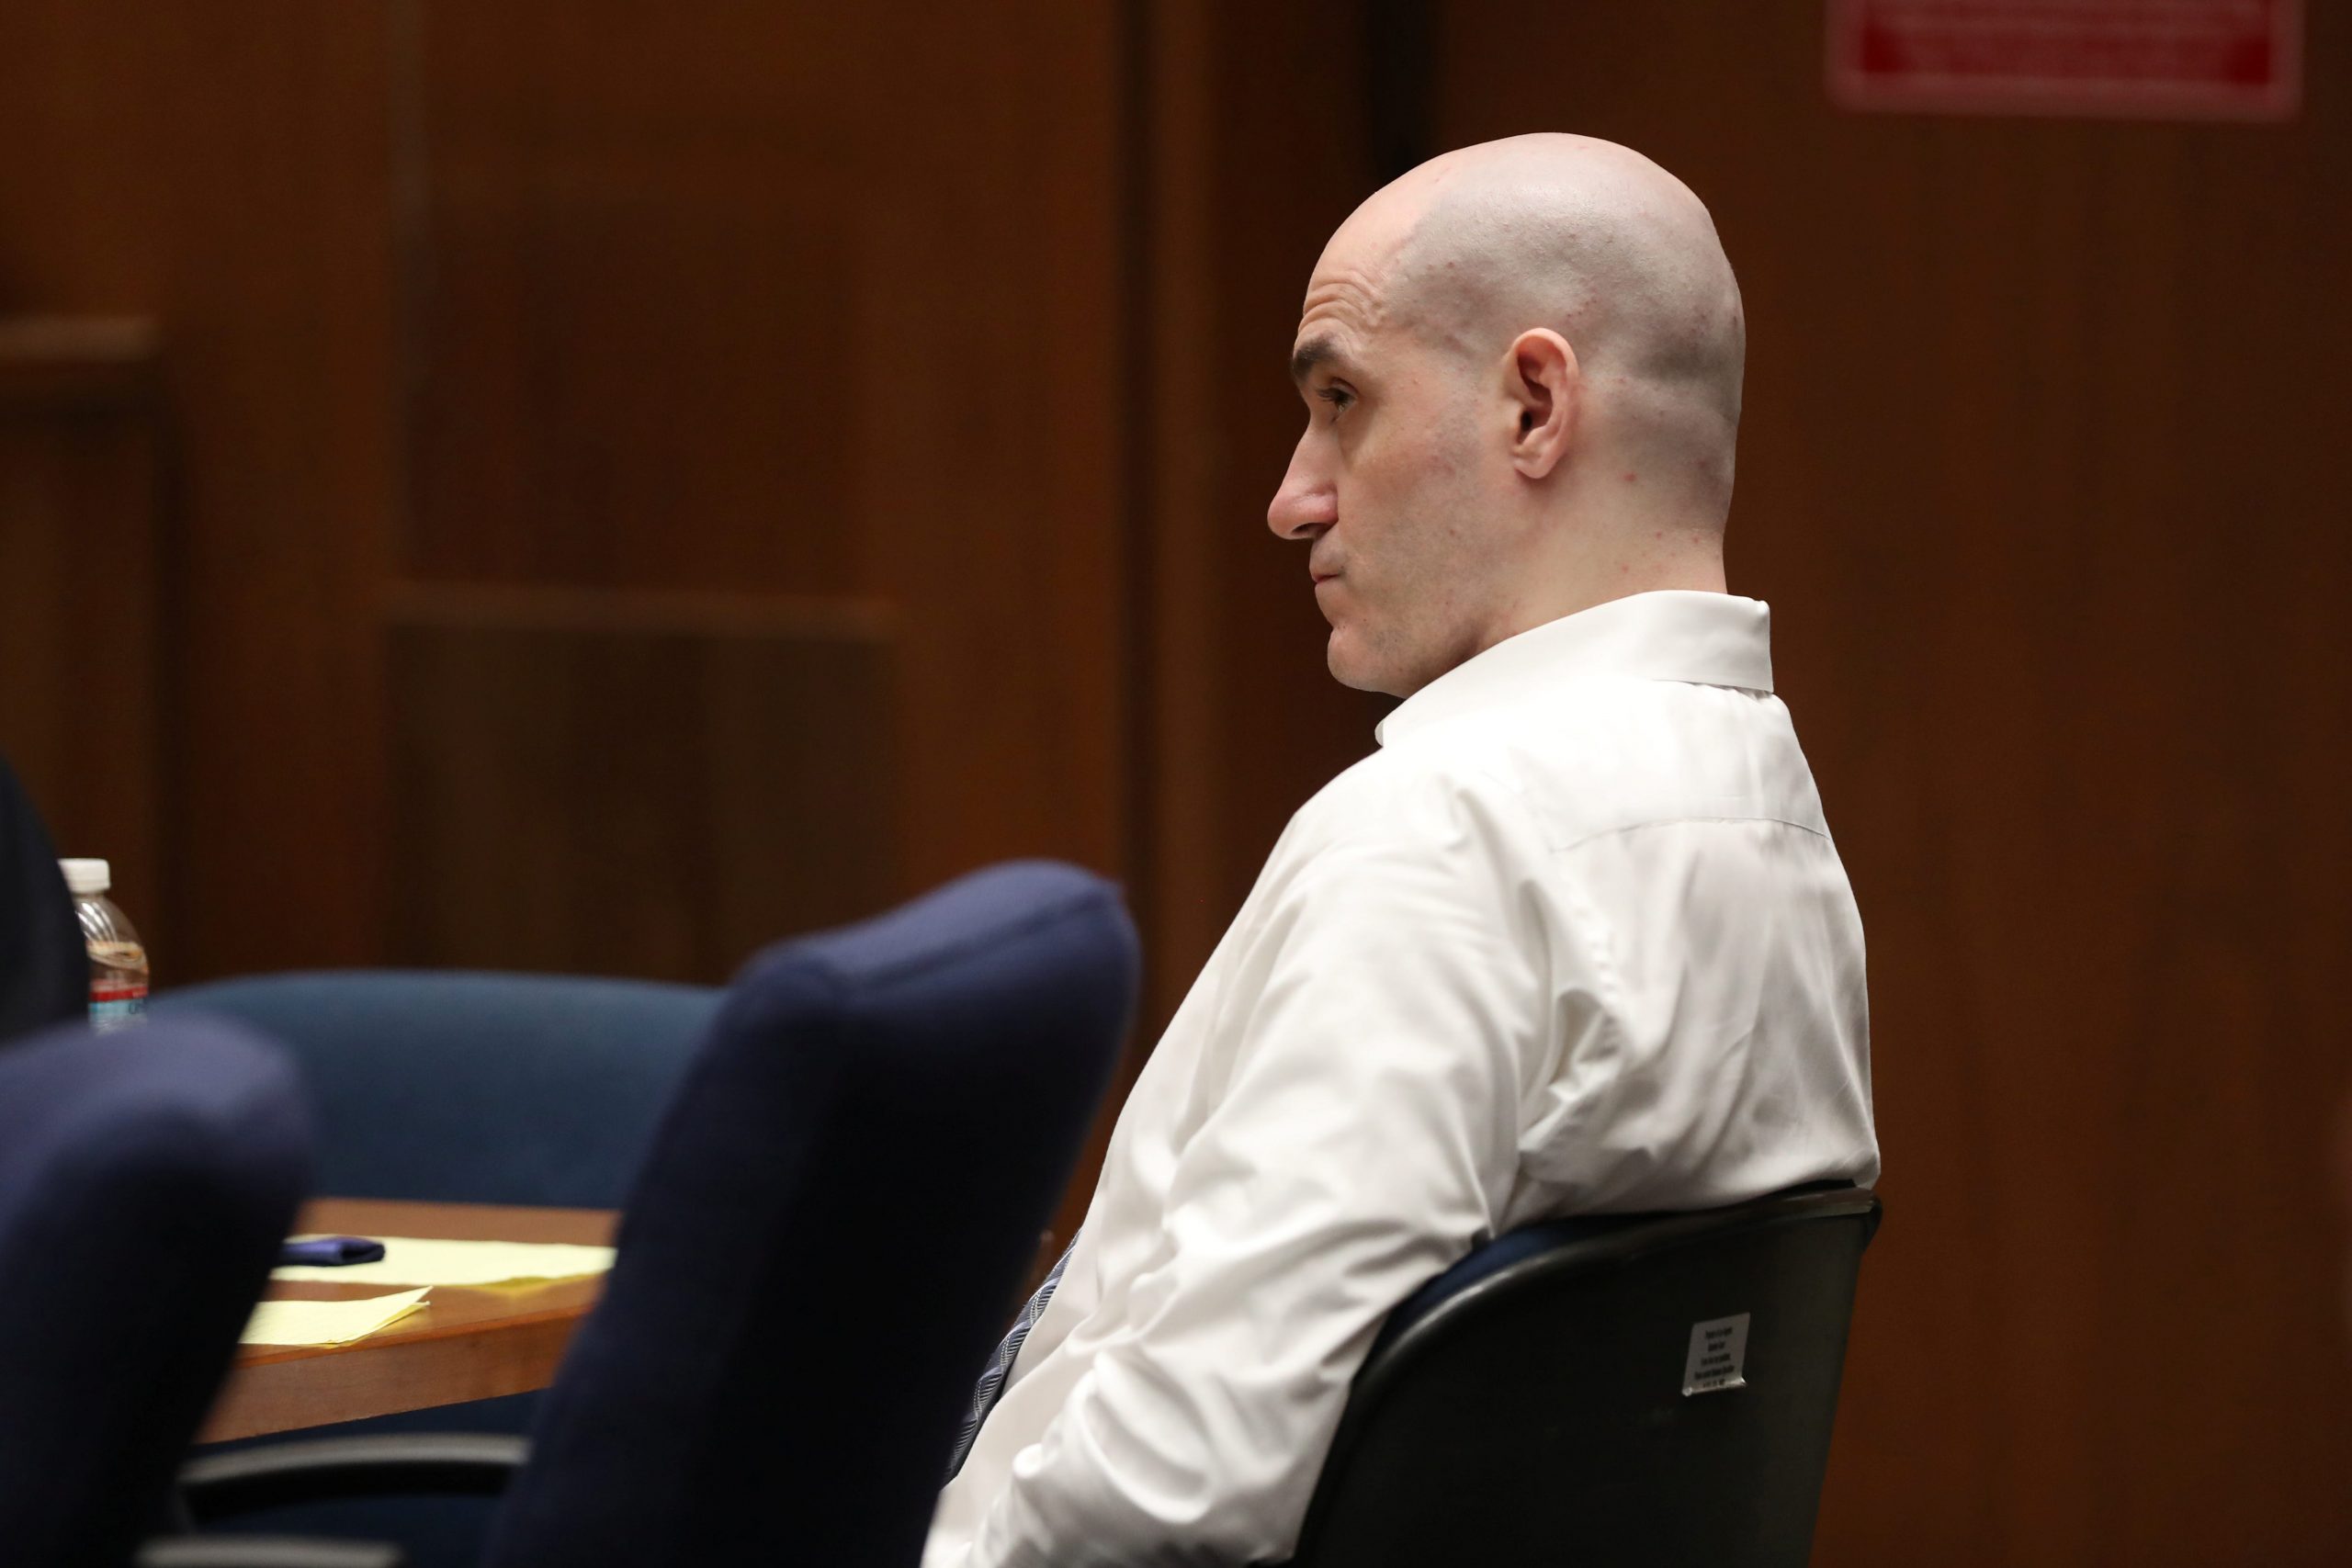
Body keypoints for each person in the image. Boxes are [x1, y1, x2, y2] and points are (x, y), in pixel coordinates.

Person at [922, 132, 1881, 1567]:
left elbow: (1170, 1497)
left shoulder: (1441, 837)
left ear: (1534, 406)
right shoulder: (1764, 813)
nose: (1293, 495)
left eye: (1341, 399)